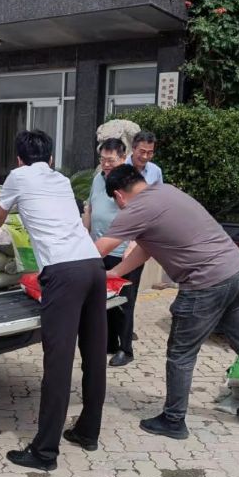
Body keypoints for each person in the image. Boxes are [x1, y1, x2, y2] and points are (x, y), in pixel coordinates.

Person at [95, 165, 239, 440]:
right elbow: (145, 248)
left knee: (181, 353)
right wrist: (115, 272)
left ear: (119, 195)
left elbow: (100, 248)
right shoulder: (166, 192)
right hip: (236, 271)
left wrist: (64, 266)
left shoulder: (136, 208)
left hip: (205, 283)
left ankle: (173, 420)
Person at [0, 130, 107, 471]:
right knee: (94, 355)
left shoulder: (18, 177)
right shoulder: (61, 180)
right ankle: (88, 432)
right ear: (51, 159)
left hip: (63, 272)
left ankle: (44, 453)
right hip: (93, 266)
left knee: (58, 364)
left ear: (19, 160)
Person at [83, 138, 140, 367]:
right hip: (99, 248)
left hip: (124, 251)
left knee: (124, 302)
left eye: (111, 160)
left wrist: (133, 245)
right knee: (103, 298)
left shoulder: (130, 181)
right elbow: (90, 208)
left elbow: (141, 215)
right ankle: (109, 342)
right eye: (103, 160)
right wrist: (84, 235)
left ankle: (125, 349)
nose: (106, 164)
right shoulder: (98, 178)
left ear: (123, 158)